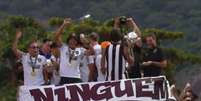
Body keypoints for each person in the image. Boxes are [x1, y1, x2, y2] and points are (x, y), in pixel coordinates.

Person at [55, 18, 85, 84]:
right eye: (71, 40)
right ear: (68, 41)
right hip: (64, 77)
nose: (72, 41)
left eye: (74, 40)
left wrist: (85, 42)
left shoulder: (80, 50)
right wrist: (63, 25)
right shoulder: (63, 47)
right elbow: (57, 36)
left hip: (76, 78)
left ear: (77, 42)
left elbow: (91, 52)